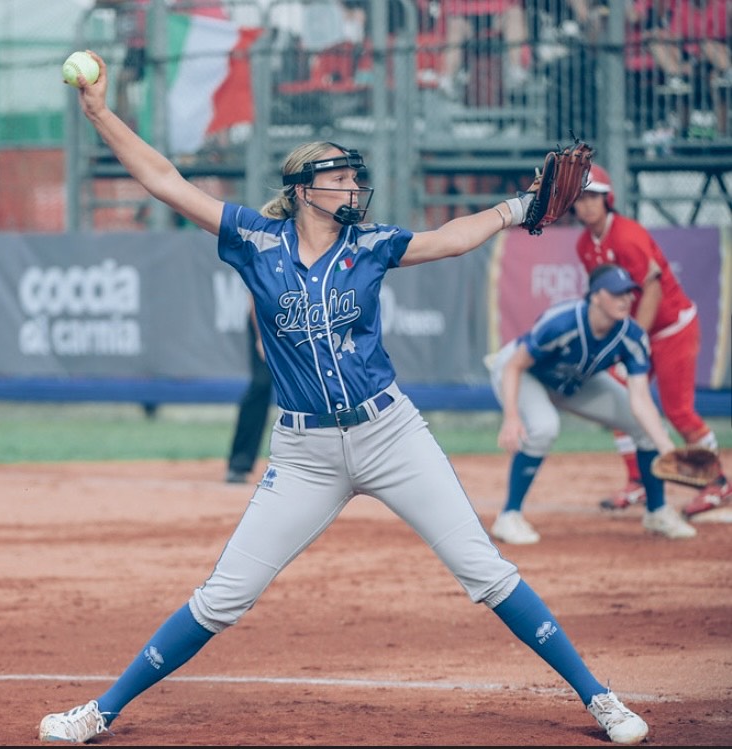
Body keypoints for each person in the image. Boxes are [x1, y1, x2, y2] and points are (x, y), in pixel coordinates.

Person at [38, 51, 650, 746]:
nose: (354, 185)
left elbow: (449, 239)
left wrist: (516, 207)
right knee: (223, 596)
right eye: (339, 175)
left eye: (356, 175)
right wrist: (99, 113)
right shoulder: (254, 238)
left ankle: (601, 698)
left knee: (484, 569)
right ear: (302, 188)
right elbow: (164, 180)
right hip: (305, 453)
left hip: (391, 435)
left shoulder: (372, 244)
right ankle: (101, 710)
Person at [486, 263, 697, 545]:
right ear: (595, 296)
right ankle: (508, 516)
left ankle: (657, 512)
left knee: (647, 427)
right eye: (617, 293)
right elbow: (515, 365)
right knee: (544, 426)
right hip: (524, 373)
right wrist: (512, 416)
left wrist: (667, 447)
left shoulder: (631, 337)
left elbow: (640, 398)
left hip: (574, 380)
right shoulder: (563, 322)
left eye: (629, 294)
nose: (626, 300)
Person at [573, 164, 731, 519]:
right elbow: (605, 300)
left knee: (678, 411)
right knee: (619, 400)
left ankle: (717, 481)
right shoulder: (586, 245)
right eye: (580, 197)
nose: (586, 205)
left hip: (672, 328)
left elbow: (653, 289)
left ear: (608, 199)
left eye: (593, 196)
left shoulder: (627, 236)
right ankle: (639, 481)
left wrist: (633, 339)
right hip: (639, 333)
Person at [224, 299, 273, 484]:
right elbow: (255, 293)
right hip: (268, 319)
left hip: (307, 317)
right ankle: (239, 463)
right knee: (260, 385)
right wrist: (261, 337)